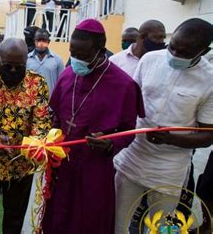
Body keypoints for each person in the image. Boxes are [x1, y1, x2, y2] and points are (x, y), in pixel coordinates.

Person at [41, 19, 145, 234]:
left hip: (94, 167)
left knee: (88, 220)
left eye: (83, 55)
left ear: (100, 50)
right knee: (58, 216)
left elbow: (128, 129)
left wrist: (110, 144)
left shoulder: (123, 84)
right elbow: (56, 116)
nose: (76, 59)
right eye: (73, 53)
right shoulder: (68, 73)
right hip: (63, 164)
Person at [113, 18, 213, 234]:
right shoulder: (150, 59)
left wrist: (171, 138)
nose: (174, 55)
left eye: (183, 52)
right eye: (172, 46)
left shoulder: (209, 80)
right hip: (132, 158)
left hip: (169, 170)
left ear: (203, 51)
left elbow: (208, 136)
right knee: (118, 224)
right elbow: (131, 103)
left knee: (159, 228)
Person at [0, 38, 51, 234]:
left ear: (26, 61)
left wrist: (33, 143)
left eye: (19, 66)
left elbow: (42, 121)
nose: (13, 71)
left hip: (20, 167)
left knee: (14, 220)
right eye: (8, 65)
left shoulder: (37, 83)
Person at [27, 28, 64, 97]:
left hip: (51, 103)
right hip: (31, 103)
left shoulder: (57, 60)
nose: (41, 43)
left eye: (44, 40)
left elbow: (62, 83)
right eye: (38, 40)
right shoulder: (27, 59)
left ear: (48, 41)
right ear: (34, 41)